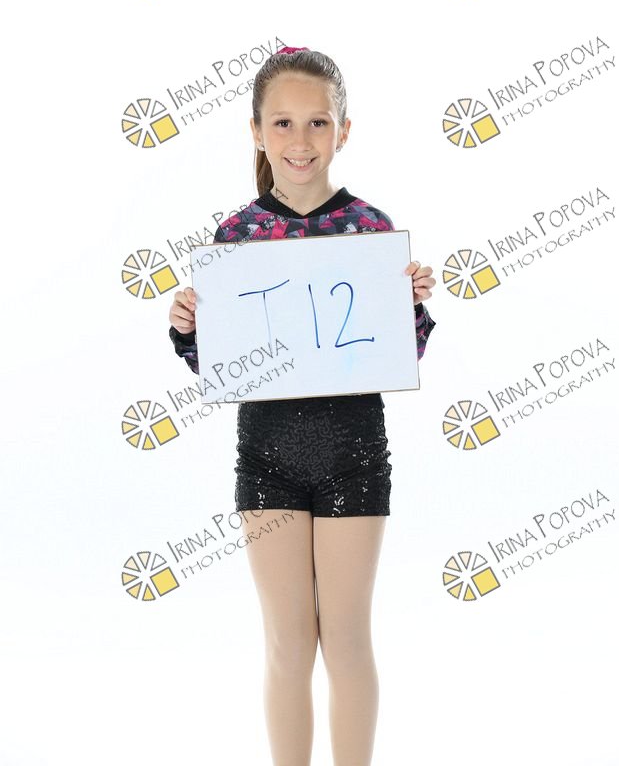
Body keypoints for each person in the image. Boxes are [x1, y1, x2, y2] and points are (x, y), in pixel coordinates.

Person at [168, 45, 436, 766]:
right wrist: (189, 328)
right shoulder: (236, 236)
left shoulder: (371, 229)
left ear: (342, 130)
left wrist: (409, 303)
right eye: (282, 123)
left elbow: (400, 352)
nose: (300, 139)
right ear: (258, 132)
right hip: (267, 455)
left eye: (317, 122)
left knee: (344, 638)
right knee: (288, 642)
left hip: (353, 450)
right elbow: (222, 364)